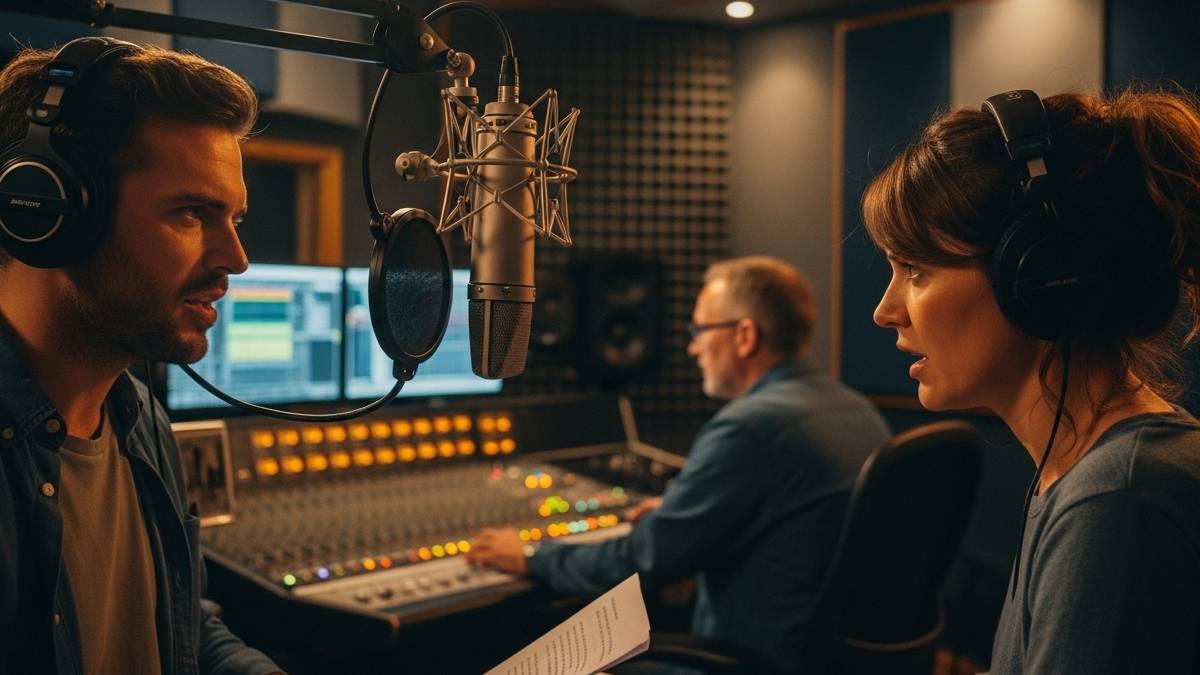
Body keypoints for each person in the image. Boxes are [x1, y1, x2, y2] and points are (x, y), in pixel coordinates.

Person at [865, 89, 1200, 673]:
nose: (885, 310)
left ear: (1039, 276)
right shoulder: (1087, 473)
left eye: (915, 270)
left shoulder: (1116, 501)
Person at [0, 38, 283, 674]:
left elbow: (177, 625)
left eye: (233, 217)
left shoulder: (141, 419)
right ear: (50, 210)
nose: (235, 259)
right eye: (192, 213)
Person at [466, 256, 891, 673]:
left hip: (758, 658)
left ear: (744, 336)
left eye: (700, 330)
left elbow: (642, 560)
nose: (692, 347)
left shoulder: (752, 427)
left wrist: (531, 556)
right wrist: (683, 527)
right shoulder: (853, 408)